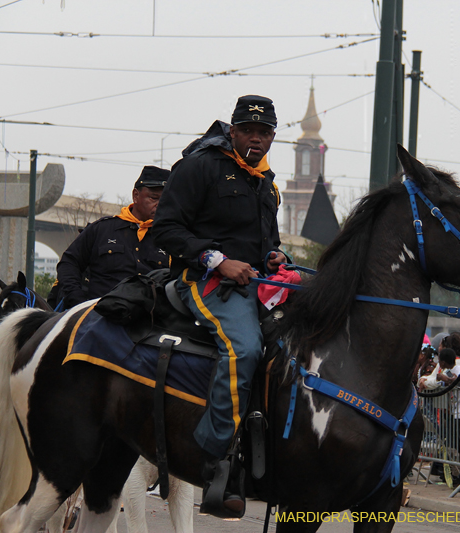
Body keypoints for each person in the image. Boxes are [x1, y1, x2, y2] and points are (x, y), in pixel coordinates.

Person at [152, 95, 286, 516]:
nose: (256, 139)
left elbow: (268, 243)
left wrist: (274, 258)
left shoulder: (266, 182)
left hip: (257, 285)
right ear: (232, 131)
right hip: (203, 281)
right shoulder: (200, 167)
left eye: (264, 133)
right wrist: (217, 260)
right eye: (249, 130)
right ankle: (216, 460)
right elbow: (166, 229)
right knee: (244, 349)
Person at [56, 166, 169, 308]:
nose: (160, 204)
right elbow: (69, 263)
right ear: (135, 196)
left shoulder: (169, 239)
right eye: (154, 198)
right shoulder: (102, 229)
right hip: (99, 315)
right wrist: (77, 302)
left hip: (150, 320)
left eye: (166, 199)